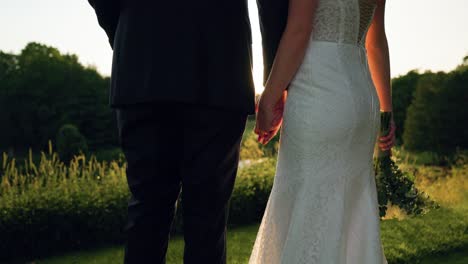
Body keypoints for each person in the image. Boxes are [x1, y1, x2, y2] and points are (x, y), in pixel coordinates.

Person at [86, 0, 286, 263]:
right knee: (207, 218)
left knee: (147, 211)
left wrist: (130, 29)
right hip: (218, 62)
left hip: (143, 62)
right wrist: (275, 78)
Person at [251, 0, 396, 263]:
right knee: (353, 211)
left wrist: (269, 96)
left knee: (306, 203)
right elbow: (376, 41)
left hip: (318, 90)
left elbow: (299, 30)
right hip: (363, 98)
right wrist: (386, 111)